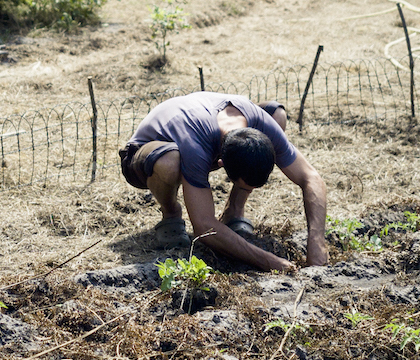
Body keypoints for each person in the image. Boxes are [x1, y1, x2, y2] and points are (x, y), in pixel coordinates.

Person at [119, 91, 328, 273]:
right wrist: (269, 261)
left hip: (203, 130)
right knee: (171, 162)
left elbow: (311, 177)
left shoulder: (261, 122)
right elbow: (204, 227)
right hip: (143, 154)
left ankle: (234, 211)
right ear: (219, 163)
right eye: (245, 186)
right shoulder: (195, 145)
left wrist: (317, 242)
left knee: (277, 114)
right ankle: (170, 212)